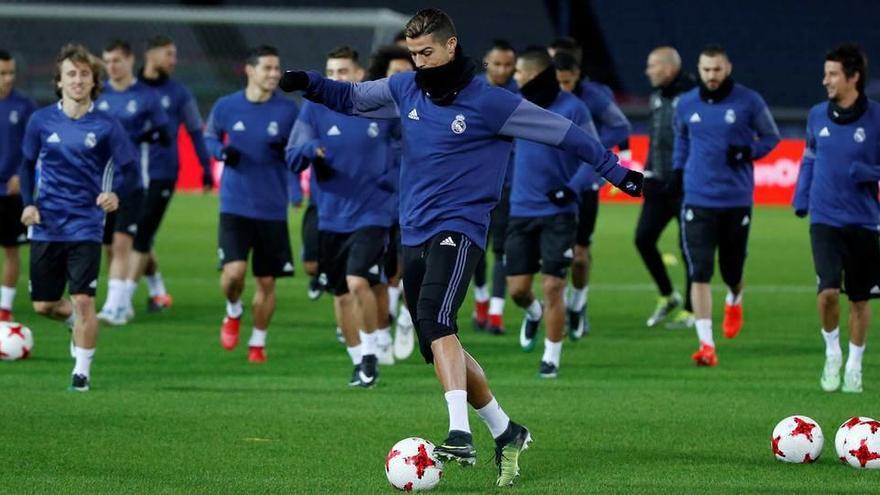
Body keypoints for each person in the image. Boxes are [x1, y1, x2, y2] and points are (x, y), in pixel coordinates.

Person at [279, 8, 642, 486]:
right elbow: (349, 97)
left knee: (434, 318)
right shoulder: (405, 88)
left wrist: (615, 171)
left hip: (462, 227)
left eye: (427, 52)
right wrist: (304, 80)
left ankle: (458, 431)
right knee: (435, 341)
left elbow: (565, 133)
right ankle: (505, 429)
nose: (420, 62)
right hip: (414, 232)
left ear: (451, 46)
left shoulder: (492, 103)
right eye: (413, 54)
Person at [20, 43, 137, 391]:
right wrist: (28, 203)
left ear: (93, 81)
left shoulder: (106, 125)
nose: (78, 80)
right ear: (59, 81)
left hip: (86, 224)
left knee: (84, 299)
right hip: (46, 225)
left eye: (84, 74)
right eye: (71, 74)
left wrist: (115, 192)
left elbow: (128, 168)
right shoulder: (40, 121)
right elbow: (26, 165)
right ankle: (73, 321)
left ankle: (81, 373)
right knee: (43, 305)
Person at [286, 45, 397, 385]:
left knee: (358, 280)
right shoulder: (313, 110)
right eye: (331, 72)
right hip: (331, 215)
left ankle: (372, 349)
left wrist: (392, 184)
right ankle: (360, 360)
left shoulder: (382, 109)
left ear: (359, 75)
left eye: (343, 72)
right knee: (341, 293)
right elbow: (292, 156)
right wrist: (309, 150)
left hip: (373, 213)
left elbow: (409, 153)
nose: (336, 78)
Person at [674, 45, 780, 366]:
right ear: (699, 69)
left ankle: (735, 297)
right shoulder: (686, 103)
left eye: (717, 69)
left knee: (731, 270)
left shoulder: (750, 101)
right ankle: (707, 345)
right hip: (697, 199)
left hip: (735, 200)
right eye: (706, 69)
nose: (712, 75)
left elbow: (771, 137)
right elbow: (681, 141)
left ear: (728, 68)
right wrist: (678, 176)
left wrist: (747, 152)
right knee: (700, 270)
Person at [793, 44, 880, 393]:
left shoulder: (876, 118)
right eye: (826, 73)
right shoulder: (816, 114)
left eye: (832, 74)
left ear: (853, 76)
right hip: (824, 217)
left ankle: (854, 366)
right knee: (828, 293)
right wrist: (801, 195)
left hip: (863, 221)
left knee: (859, 299)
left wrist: (871, 171)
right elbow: (810, 157)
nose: (825, 80)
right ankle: (832, 354)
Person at [506, 48, 598, 378]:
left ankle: (551, 358)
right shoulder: (514, 105)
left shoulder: (574, 107)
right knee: (517, 289)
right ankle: (533, 313)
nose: (514, 76)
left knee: (554, 286)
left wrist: (570, 189)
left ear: (533, 74)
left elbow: (595, 155)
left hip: (560, 211)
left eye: (518, 71)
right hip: (520, 209)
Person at [205, 45, 298, 363]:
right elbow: (209, 137)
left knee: (267, 280)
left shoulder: (288, 111)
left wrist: (290, 156)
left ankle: (257, 342)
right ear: (250, 70)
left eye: (277, 69)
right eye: (268, 68)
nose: (274, 74)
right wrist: (220, 152)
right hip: (235, 205)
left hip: (272, 207)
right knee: (233, 273)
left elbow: (298, 150)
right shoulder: (226, 106)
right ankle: (233, 309)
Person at [123, 35, 213, 315]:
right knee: (137, 236)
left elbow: (196, 131)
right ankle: (157, 290)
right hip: (131, 175)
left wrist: (206, 169)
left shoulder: (180, 93)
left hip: (163, 173)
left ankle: (121, 302)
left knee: (140, 234)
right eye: (169, 54)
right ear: (151, 55)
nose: (173, 61)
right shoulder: (129, 90)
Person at [553, 49, 632, 339]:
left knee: (580, 255)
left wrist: (593, 144)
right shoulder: (542, 98)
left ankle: (578, 304)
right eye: (558, 81)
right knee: (553, 254)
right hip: (553, 183)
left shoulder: (594, 97)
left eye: (568, 81)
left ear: (577, 75)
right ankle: (553, 309)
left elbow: (621, 126)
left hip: (585, 182)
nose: (564, 87)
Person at [95, 40, 170, 326]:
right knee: (109, 247)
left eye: (116, 60)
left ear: (129, 61)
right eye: (107, 61)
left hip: (134, 182)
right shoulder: (99, 95)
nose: (111, 67)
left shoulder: (146, 97)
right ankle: (122, 303)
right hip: (102, 183)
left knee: (123, 243)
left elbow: (165, 134)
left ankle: (114, 307)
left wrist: (148, 135)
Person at [637, 46, 696, 329]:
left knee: (689, 248)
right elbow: (654, 138)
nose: (648, 71)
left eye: (652, 65)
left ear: (669, 68)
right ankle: (667, 295)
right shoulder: (657, 98)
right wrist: (648, 171)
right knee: (643, 239)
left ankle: (692, 309)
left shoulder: (692, 98)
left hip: (685, 185)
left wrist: (684, 174)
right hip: (658, 182)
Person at [367, 44, 417, 361]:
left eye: (405, 73)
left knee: (411, 270)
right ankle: (382, 331)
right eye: (394, 73)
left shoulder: (424, 110)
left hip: (415, 203)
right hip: (376, 205)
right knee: (381, 275)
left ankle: (406, 321)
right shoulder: (370, 111)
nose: (399, 79)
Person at [472, 39, 517, 335]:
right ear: (487, 63)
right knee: (475, 248)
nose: (502, 69)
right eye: (497, 63)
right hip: (473, 186)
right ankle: (481, 301)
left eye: (508, 65)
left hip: (510, 185)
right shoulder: (469, 91)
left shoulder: (521, 96)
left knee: (501, 249)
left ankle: (496, 314)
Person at [0, 49, 36, 322]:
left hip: (10, 191)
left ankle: (4, 308)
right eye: (2, 73)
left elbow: (34, 146)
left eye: (11, 72)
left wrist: (21, 175)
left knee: (11, 249)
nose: (8, 78)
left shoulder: (24, 106)